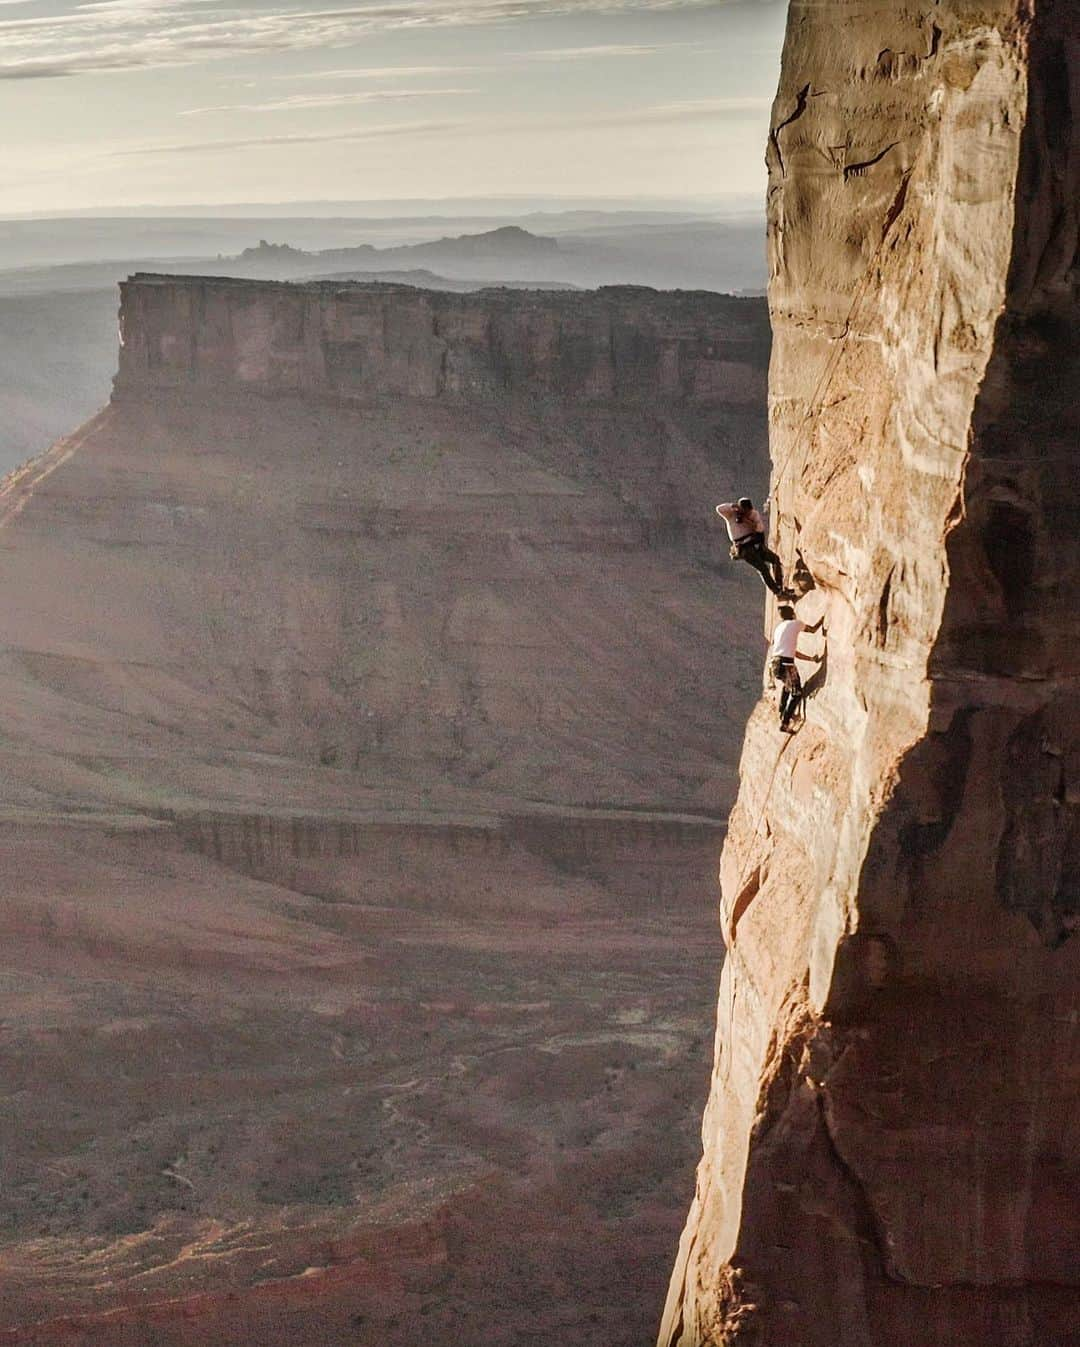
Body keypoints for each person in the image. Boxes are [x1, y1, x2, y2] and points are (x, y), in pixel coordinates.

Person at [715, 496, 791, 597]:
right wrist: (733, 506)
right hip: (744, 548)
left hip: (755, 543)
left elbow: (759, 529)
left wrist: (748, 520)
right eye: (744, 510)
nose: (746, 512)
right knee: (763, 569)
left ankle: (780, 587)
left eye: (748, 511)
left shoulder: (753, 514)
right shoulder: (731, 515)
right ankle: (777, 592)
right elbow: (719, 509)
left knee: (775, 559)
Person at [769, 605, 823, 732]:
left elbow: (792, 652)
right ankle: (785, 722)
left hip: (774, 664)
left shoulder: (778, 628)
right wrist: (822, 619)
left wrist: (811, 659)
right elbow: (813, 629)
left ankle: (782, 711)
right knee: (796, 693)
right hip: (786, 664)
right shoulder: (795, 624)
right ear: (793, 614)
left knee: (787, 686)